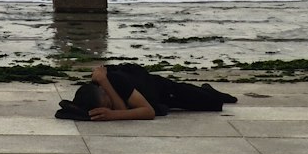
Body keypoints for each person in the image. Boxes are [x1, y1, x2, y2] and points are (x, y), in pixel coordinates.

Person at [56, 63, 238, 122]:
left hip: (157, 89)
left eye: (107, 99)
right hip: (146, 94)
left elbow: (148, 111)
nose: (109, 105)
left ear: (102, 89)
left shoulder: (114, 82)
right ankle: (204, 91)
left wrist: (112, 114)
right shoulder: (94, 93)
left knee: (213, 104)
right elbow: (121, 107)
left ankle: (208, 90)